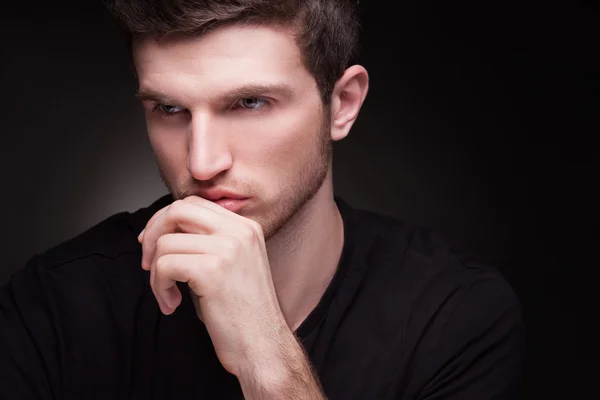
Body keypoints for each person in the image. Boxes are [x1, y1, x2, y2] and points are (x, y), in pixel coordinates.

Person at [0, 0, 524, 398]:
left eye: (250, 102)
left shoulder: (454, 316)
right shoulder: (54, 304)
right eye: (169, 108)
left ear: (342, 104)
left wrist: (268, 361)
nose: (202, 163)